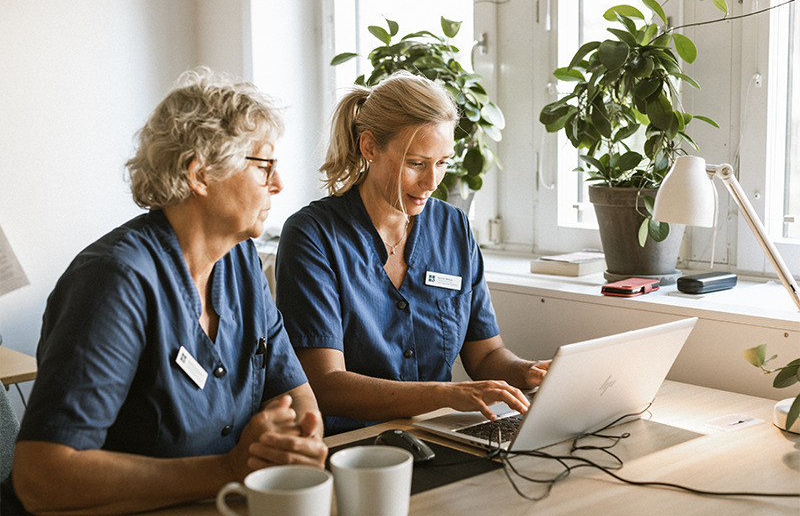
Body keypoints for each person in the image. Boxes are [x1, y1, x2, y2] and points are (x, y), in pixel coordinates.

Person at [3, 68, 327, 515]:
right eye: (264, 166)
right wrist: (230, 468)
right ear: (200, 175)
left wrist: (292, 440)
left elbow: (291, 391)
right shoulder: (115, 282)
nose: (278, 184)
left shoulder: (242, 262)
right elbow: (43, 476)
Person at [275, 71, 550, 435]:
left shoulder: (454, 228)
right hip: (355, 444)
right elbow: (325, 385)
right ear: (370, 147)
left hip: (438, 434)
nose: (432, 182)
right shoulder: (313, 236)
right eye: (416, 163)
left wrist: (527, 372)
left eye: (443, 162)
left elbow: (485, 355)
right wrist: (445, 394)